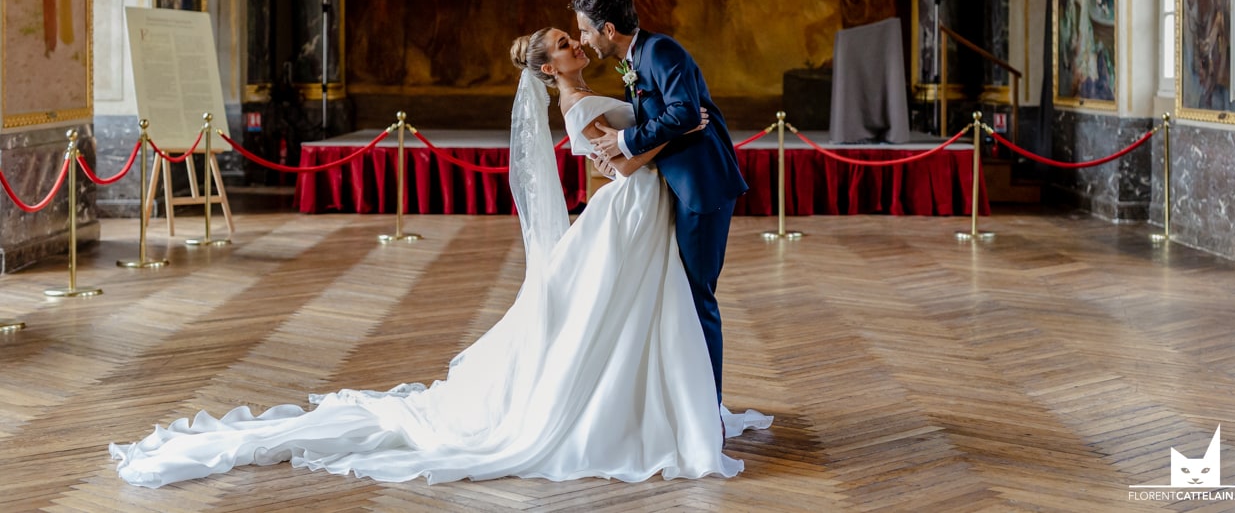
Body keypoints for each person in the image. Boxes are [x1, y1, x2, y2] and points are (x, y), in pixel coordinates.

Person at [109, 27, 769, 488]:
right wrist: (680, 127)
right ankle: (649, 412)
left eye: (572, 38)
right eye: (562, 45)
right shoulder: (572, 101)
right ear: (548, 70)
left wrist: (661, 124)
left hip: (634, 215)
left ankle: (667, 404)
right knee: (613, 318)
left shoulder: (593, 83)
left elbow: (628, 140)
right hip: (626, 211)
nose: (574, 45)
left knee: (638, 314)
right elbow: (614, 157)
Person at [572, 0, 748, 406]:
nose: (583, 40)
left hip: (703, 188)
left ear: (608, 29)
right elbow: (678, 118)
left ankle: (709, 412)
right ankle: (688, 405)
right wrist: (620, 153)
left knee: (697, 297)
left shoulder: (659, 51)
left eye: (584, 31)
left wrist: (626, 141)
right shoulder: (637, 58)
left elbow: (687, 113)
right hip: (680, 185)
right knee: (684, 297)